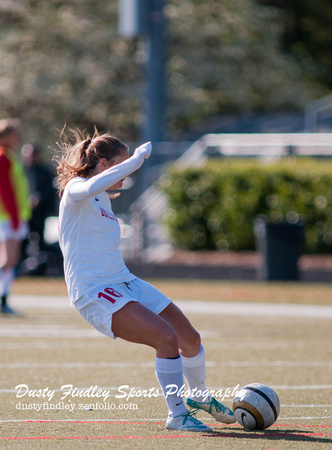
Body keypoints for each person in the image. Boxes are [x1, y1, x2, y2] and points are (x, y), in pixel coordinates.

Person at [55, 129, 236, 432]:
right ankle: (177, 415)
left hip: (124, 280)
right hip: (94, 290)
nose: (127, 177)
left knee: (189, 338)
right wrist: (136, 159)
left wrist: (130, 162)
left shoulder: (103, 198)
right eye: (121, 166)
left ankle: (200, 397)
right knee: (165, 338)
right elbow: (90, 186)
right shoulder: (76, 188)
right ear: (103, 163)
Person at [0, 118, 31, 314]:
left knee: (10, 261)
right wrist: (14, 217)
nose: (19, 136)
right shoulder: (3, 156)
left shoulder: (10, 155)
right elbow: (5, 189)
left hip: (13, 215)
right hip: (8, 216)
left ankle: (3, 298)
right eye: (16, 132)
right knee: (7, 260)